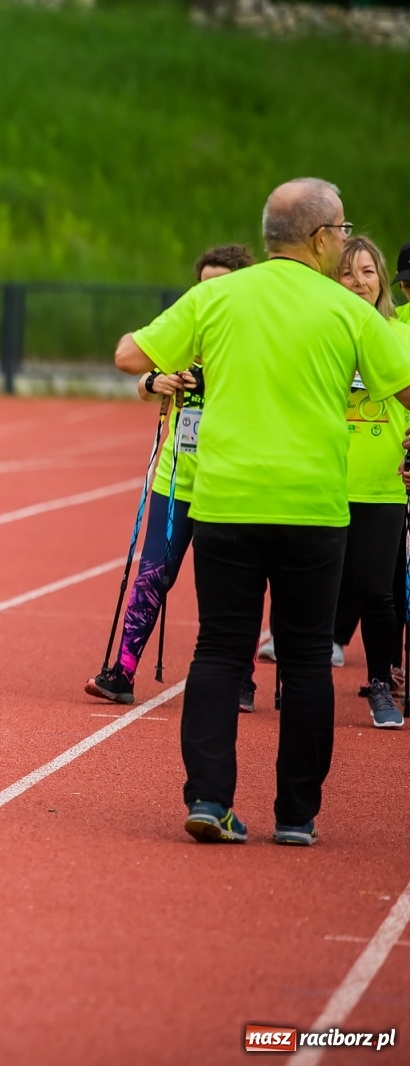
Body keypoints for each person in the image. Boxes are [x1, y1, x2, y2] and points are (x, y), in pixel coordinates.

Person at [114, 178, 410, 847]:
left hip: (226, 501)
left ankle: (211, 799)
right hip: (311, 508)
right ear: (320, 237)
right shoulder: (349, 312)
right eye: (342, 231)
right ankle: (296, 816)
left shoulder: (217, 296)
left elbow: (131, 354)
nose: (344, 242)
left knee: (219, 649)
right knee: (307, 657)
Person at [86, 244, 256, 707]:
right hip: (176, 478)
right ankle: (121, 671)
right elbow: (141, 372)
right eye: (201, 287)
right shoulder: (185, 332)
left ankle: (242, 675)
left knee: (227, 585)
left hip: (231, 484)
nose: (207, 295)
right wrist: (155, 382)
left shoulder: (252, 339)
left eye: (218, 286)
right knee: (153, 573)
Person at [328, 236, 410, 729]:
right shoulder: (322, 333)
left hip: (380, 485)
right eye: (346, 273)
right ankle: (304, 675)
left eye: (366, 272)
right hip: (324, 480)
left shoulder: (397, 334)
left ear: (383, 279)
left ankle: (380, 684)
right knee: (315, 589)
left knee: (378, 592)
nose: (357, 282)